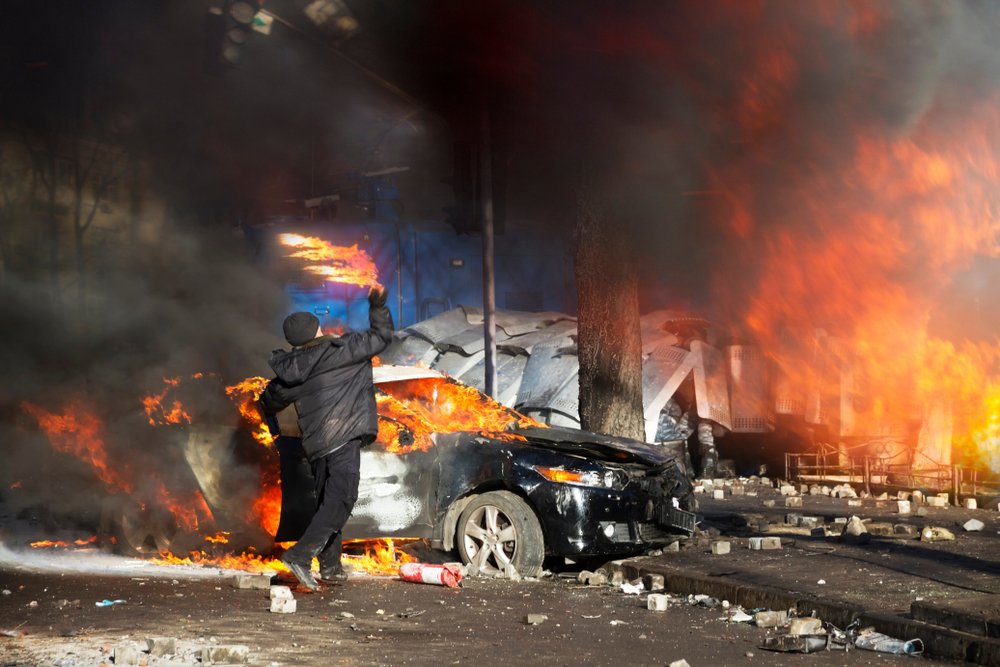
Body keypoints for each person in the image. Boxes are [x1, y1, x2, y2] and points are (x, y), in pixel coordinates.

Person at [259, 287, 393, 590]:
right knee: (342, 499)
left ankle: (331, 567)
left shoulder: (291, 371)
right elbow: (382, 336)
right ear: (317, 328)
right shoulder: (342, 350)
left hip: (316, 445)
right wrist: (377, 305)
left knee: (326, 502)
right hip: (344, 436)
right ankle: (301, 555)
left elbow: (269, 400)